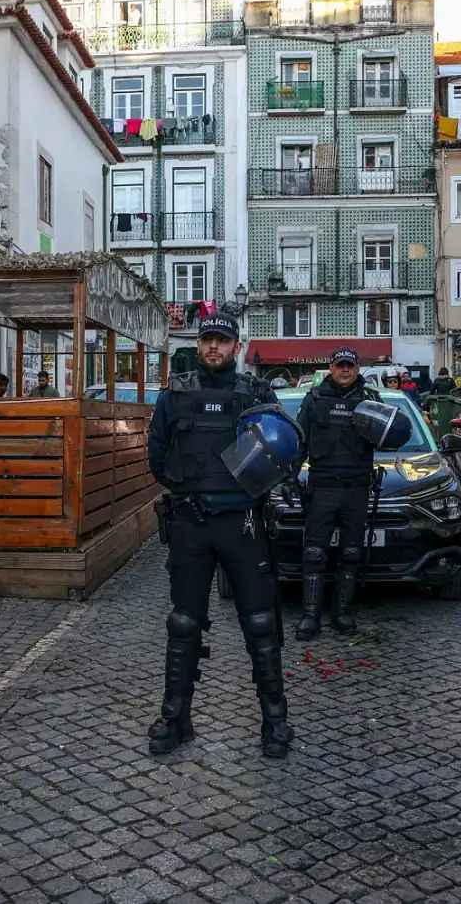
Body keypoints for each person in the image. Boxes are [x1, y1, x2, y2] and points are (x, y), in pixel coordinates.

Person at [145, 314, 292, 759]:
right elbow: (156, 454)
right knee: (184, 623)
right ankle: (175, 717)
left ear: (235, 345)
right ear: (199, 342)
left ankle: (275, 720)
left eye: (222, 341)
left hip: (243, 523)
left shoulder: (257, 393)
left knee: (261, 623)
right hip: (190, 522)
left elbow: (285, 450)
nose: (214, 348)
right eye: (207, 339)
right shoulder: (175, 393)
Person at [294, 347, 382, 638]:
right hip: (323, 487)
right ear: (330, 368)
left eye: (350, 366)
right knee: (315, 552)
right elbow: (299, 442)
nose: (345, 370)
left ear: (357, 369)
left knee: (352, 552)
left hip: (357, 487)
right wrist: (288, 476)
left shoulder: (370, 400)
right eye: (340, 365)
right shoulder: (315, 399)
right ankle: (310, 616)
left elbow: (389, 438)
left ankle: (342, 613)